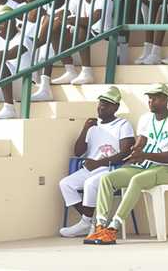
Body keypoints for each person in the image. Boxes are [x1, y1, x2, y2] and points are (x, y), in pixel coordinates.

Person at [84, 83, 168, 245]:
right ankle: (100, 227)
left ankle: (113, 229)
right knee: (107, 179)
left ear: (166, 99)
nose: (151, 101)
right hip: (144, 166)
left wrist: (144, 154)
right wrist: (134, 152)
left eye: (155, 98)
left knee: (136, 181)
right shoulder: (146, 119)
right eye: (149, 98)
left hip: (167, 169)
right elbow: (140, 144)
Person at [59, 87, 136, 238]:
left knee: (90, 184)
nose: (101, 106)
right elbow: (78, 152)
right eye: (100, 103)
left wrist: (99, 163)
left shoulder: (123, 125)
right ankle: (88, 221)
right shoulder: (93, 126)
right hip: (90, 168)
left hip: (111, 168)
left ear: (116, 107)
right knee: (65, 184)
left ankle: (87, 222)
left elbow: (125, 153)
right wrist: (85, 129)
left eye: (107, 104)